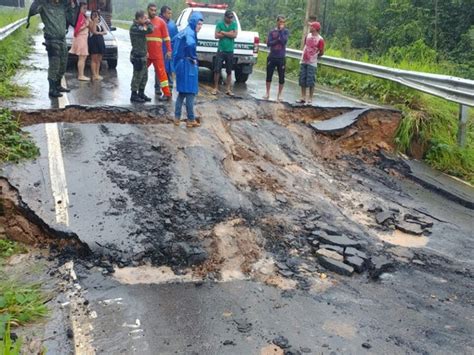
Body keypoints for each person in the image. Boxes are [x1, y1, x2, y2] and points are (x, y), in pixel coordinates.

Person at [26, 0, 78, 98]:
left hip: (62, 39)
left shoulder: (63, 5)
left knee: (63, 62)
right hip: (51, 39)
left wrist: (72, 6)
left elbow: (72, 19)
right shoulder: (44, 5)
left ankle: (58, 85)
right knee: (54, 64)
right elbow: (33, 10)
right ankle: (52, 88)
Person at [173, 12, 203, 128]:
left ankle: (176, 118)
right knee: (190, 94)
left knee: (181, 94)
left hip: (181, 65)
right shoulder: (190, 33)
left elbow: (174, 40)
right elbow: (190, 44)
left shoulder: (184, 31)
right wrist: (193, 57)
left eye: (201, 24)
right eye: (199, 24)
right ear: (194, 23)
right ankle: (190, 119)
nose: (200, 26)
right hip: (188, 66)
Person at [146, 3, 172, 101]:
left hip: (157, 54)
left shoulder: (161, 22)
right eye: (151, 10)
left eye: (155, 10)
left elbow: (167, 38)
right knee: (141, 72)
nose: (153, 12)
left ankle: (167, 94)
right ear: (148, 10)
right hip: (146, 53)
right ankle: (139, 93)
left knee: (162, 74)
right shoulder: (144, 21)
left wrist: (169, 50)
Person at [297, 21, 325, 105]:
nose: (310, 27)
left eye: (311, 26)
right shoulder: (308, 36)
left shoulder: (320, 39)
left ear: (315, 28)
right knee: (302, 79)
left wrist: (314, 55)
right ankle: (303, 97)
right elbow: (305, 45)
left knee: (311, 80)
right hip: (304, 60)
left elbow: (322, 52)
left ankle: (310, 98)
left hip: (312, 62)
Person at [129, 10, 154, 103]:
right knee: (137, 76)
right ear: (139, 19)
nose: (146, 20)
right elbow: (150, 30)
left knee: (144, 76)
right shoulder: (135, 28)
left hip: (143, 55)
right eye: (144, 18)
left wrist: (146, 51)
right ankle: (134, 94)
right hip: (138, 56)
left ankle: (141, 93)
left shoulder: (140, 26)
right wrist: (149, 22)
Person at [212, 9, 238, 96]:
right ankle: (215, 88)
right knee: (217, 70)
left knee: (229, 70)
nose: (230, 19)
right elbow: (216, 35)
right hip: (221, 50)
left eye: (231, 17)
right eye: (229, 17)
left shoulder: (234, 24)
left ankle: (228, 89)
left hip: (230, 50)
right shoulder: (219, 24)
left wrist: (223, 32)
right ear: (225, 17)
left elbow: (234, 35)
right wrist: (228, 33)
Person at [264, 15, 289, 102]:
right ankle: (267, 92)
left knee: (281, 76)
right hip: (272, 56)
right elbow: (268, 43)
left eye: (283, 22)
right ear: (277, 22)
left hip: (281, 57)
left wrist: (281, 32)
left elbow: (284, 41)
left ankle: (280, 94)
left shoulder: (285, 31)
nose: (282, 23)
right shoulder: (272, 31)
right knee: (269, 75)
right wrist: (276, 40)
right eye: (281, 22)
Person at [69, 2, 90, 81]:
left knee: (83, 57)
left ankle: (81, 74)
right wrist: (86, 25)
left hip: (83, 38)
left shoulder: (82, 16)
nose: (85, 10)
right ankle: (81, 75)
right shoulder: (80, 16)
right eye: (84, 8)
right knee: (82, 57)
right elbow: (77, 30)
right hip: (81, 38)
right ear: (80, 8)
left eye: (86, 8)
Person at [160, 5, 178, 90]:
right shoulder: (158, 22)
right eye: (168, 13)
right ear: (163, 13)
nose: (170, 15)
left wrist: (172, 50)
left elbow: (175, 38)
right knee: (160, 71)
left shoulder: (172, 24)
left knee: (170, 70)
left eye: (171, 13)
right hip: (159, 51)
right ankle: (158, 88)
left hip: (169, 51)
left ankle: (169, 89)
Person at [88, 10, 107, 81]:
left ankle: (97, 73)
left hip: (100, 41)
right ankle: (94, 74)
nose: (95, 16)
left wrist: (99, 33)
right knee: (94, 59)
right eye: (94, 15)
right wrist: (95, 22)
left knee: (99, 59)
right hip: (93, 41)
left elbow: (105, 32)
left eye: (97, 15)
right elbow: (93, 31)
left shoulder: (101, 23)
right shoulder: (91, 22)